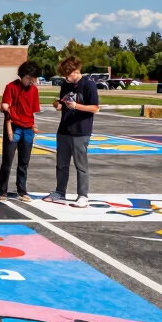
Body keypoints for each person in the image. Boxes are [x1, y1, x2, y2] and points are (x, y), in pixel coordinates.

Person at [47, 56, 100, 208]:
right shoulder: (66, 84)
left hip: (81, 130)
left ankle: (83, 195)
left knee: (80, 165)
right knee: (61, 164)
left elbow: (95, 108)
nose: (66, 78)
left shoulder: (89, 85)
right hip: (64, 129)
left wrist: (76, 106)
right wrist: (57, 104)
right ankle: (60, 191)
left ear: (76, 71)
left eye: (68, 74)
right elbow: (60, 102)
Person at [0, 61, 42, 202]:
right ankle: (3, 191)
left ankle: (22, 191)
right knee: (7, 161)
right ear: (23, 75)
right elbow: (5, 107)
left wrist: (33, 127)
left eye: (33, 78)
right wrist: (8, 127)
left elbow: (32, 111)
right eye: (29, 78)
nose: (31, 81)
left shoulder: (34, 90)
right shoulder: (11, 87)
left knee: (24, 162)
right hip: (14, 127)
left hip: (28, 129)